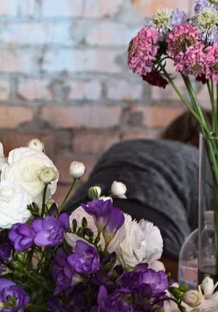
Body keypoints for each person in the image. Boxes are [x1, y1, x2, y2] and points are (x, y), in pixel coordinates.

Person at [65, 110, 212, 278]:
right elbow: (206, 236)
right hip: (158, 238)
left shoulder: (124, 147)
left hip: (77, 225)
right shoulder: (201, 161)